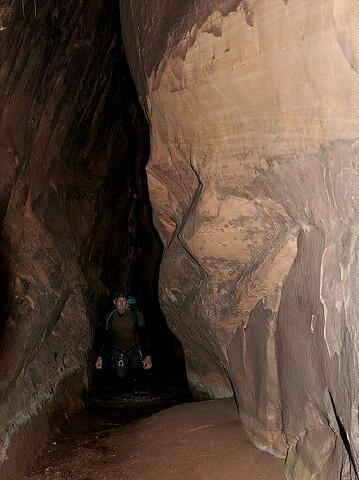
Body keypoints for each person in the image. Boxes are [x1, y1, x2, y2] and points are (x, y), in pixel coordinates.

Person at [95, 290, 152, 395]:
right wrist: (100, 357)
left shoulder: (135, 314)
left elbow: (144, 335)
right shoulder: (110, 316)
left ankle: (135, 396)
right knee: (122, 378)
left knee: (134, 375)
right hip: (118, 353)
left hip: (134, 350)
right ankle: (127, 395)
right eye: (118, 301)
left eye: (123, 301)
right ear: (114, 302)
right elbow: (106, 338)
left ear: (127, 302)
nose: (121, 304)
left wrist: (147, 355)